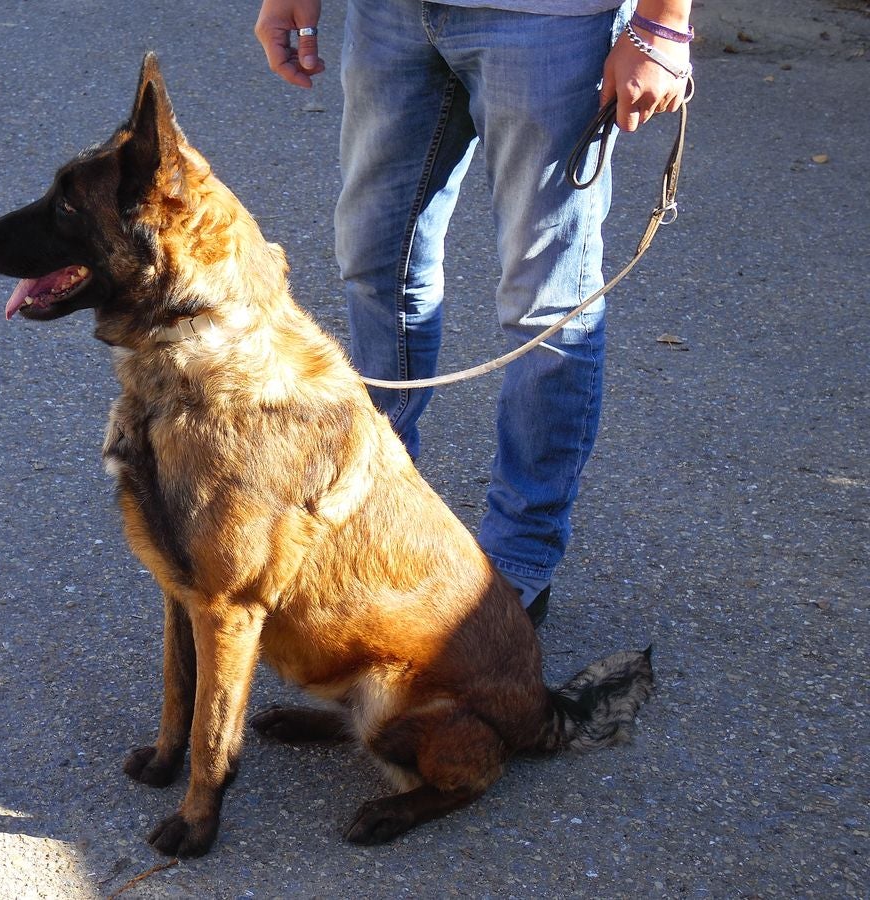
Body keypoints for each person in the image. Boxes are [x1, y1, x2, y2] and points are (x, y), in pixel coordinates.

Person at [254, 0, 693, 624]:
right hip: (391, 16)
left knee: (546, 303)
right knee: (376, 265)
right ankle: (371, 520)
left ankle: (514, 569)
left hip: (549, 22)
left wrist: (662, 24)